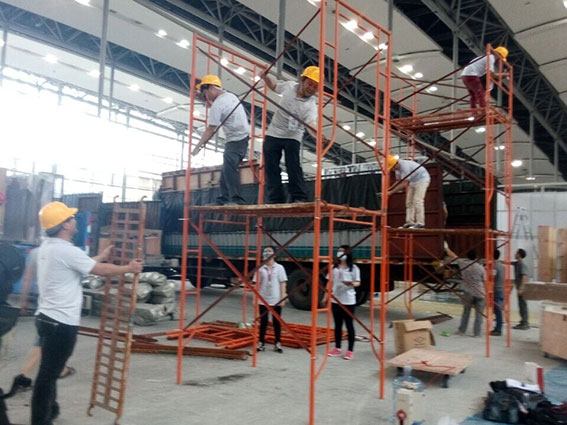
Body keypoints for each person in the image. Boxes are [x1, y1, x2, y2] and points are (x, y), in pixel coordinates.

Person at [31, 201, 143, 425]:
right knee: (48, 375)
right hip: (61, 323)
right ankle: (40, 420)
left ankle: (50, 411)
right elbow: (100, 271)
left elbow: (82, 264)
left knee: (50, 370)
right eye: (71, 218)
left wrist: (101, 255)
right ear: (64, 225)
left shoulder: (49, 247)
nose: (75, 220)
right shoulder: (66, 250)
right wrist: (129, 268)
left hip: (46, 318)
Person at [13, 248, 75, 392]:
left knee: (51, 340)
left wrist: (23, 300)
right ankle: (23, 376)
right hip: (56, 304)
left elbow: (27, 278)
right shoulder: (62, 251)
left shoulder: (35, 253)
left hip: (41, 300)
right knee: (42, 342)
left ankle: (61, 368)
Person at [261, 66, 320, 204]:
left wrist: (317, 134)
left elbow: (310, 123)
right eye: (310, 84)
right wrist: (265, 77)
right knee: (271, 167)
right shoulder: (289, 87)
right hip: (274, 133)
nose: (311, 88)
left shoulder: (311, 105)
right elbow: (274, 86)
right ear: (302, 80)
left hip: (293, 136)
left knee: (293, 165)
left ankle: (299, 196)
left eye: (315, 87)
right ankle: (276, 198)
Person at [192, 75, 250, 205]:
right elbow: (220, 107)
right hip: (242, 138)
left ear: (211, 88)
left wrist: (197, 147)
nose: (206, 96)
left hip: (236, 140)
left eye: (205, 93)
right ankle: (223, 198)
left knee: (229, 169)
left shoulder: (217, 105)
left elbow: (211, 129)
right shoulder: (230, 96)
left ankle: (236, 199)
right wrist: (206, 100)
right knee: (226, 169)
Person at [324, 245, 360, 360]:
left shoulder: (353, 268)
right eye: (339, 251)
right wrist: (326, 297)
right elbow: (329, 282)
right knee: (338, 324)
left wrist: (351, 284)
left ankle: (350, 350)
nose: (339, 253)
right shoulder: (333, 267)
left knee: (349, 325)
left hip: (348, 300)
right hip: (336, 299)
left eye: (342, 251)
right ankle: (337, 347)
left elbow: (358, 282)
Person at [254, 246, 287, 353]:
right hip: (263, 299)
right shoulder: (260, 268)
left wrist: (283, 297)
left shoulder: (279, 268)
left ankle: (277, 343)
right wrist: (255, 298)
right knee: (263, 322)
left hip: (276, 298)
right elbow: (257, 284)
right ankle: (261, 343)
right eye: (265, 251)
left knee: (276, 322)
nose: (267, 253)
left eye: (270, 251)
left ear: (275, 254)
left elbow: (282, 283)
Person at [445, 248, 485, 337]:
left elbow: (453, 256)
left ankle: (462, 331)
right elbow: (484, 280)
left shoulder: (463, 264)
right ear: (476, 257)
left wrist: (446, 248)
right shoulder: (480, 267)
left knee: (466, 312)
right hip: (480, 292)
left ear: (467, 256)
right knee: (479, 315)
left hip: (468, 292)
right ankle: (477, 333)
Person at [387, 155, 431, 229]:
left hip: (422, 180)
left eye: (393, 167)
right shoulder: (397, 169)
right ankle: (410, 222)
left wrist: (391, 192)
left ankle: (420, 223)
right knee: (409, 202)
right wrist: (388, 189)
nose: (393, 169)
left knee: (418, 201)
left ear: (396, 163)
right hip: (413, 181)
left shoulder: (404, 167)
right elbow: (398, 181)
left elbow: (404, 184)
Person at [514, 248, 529, 330]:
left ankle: (525, 323)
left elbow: (524, 277)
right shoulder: (517, 263)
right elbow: (508, 262)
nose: (515, 254)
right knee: (521, 305)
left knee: (523, 305)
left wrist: (521, 288)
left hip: (522, 289)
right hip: (519, 288)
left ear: (519, 254)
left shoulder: (522, 264)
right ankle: (523, 321)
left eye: (516, 253)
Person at [490, 249, 505, 336]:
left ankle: (498, 329)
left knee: (497, 310)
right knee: (497, 310)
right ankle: (497, 328)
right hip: (501, 289)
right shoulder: (502, 265)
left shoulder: (495, 266)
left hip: (496, 290)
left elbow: (492, 277)